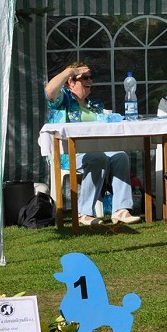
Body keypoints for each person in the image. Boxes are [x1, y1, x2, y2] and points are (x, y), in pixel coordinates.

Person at [45, 61, 141, 225]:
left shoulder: (95, 104)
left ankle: (120, 209)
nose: (90, 81)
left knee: (120, 156)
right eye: (85, 78)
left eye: (91, 77)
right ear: (71, 81)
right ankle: (84, 213)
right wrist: (70, 70)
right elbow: (49, 92)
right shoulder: (64, 99)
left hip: (96, 150)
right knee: (98, 158)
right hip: (70, 153)